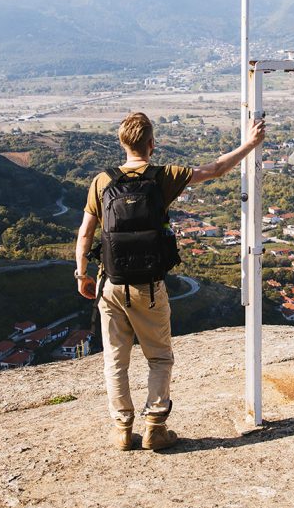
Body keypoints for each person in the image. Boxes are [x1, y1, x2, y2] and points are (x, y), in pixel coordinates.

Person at [75, 111, 265, 451]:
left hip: (111, 284)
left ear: (122, 143)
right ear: (151, 144)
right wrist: (249, 144)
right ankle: (155, 427)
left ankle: (121, 429)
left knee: (115, 360)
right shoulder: (163, 176)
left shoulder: (102, 182)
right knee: (159, 357)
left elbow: (86, 232)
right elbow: (215, 169)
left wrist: (81, 273)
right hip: (148, 286)